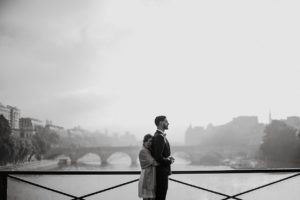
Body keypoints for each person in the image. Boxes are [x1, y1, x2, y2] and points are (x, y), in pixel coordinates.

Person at [151, 115, 175, 200]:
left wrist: (168, 157)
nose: (168, 123)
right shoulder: (160, 137)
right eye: (166, 121)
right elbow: (158, 157)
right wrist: (169, 160)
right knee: (161, 197)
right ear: (161, 123)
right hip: (161, 174)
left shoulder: (158, 135)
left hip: (160, 174)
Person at [138, 134, 159, 200]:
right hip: (146, 178)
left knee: (149, 197)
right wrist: (166, 161)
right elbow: (154, 163)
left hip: (149, 176)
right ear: (144, 142)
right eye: (148, 141)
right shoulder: (144, 151)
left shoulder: (147, 150)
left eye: (151, 141)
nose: (150, 143)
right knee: (147, 197)